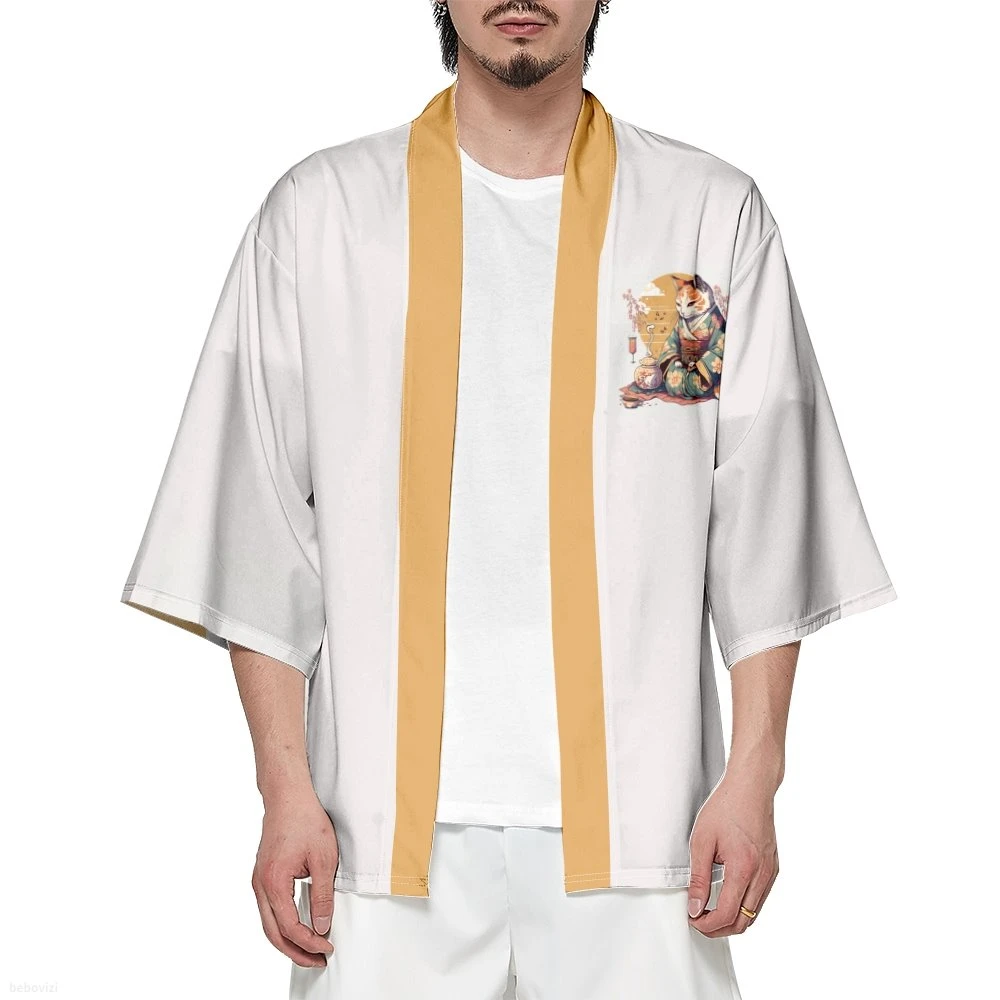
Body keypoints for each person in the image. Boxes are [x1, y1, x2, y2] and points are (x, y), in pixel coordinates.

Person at [119, 2, 896, 997]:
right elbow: (258, 521)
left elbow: (766, 518)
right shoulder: (322, 216)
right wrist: (283, 791)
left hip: (644, 828)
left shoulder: (704, 216)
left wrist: (754, 777)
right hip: (378, 834)